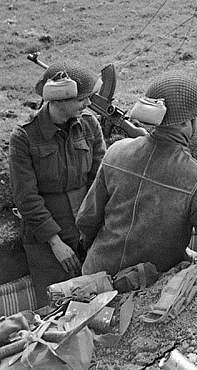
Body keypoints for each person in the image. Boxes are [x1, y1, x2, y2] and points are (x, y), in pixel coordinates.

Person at [76, 73, 197, 276]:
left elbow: (86, 220)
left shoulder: (116, 151)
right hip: (145, 288)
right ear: (188, 122)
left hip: (94, 276)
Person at [9, 61, 106, 307]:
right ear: (59, 99)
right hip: (47, 238)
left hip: (87, 227)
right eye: (82, 99)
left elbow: (100, 178)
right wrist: (55, 243)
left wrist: (95, 227)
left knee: (98, 300)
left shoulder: (89, 125)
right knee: (55, 307)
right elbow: (26, 198)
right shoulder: (24, 137)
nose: (87, 104)